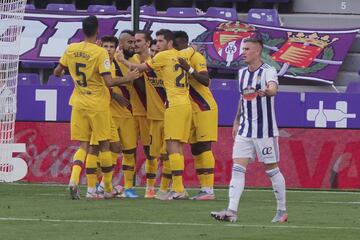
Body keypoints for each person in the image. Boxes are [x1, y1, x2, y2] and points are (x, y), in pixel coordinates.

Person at [53, 16, 139, 199]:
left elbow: (57, 72)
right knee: (104, 145)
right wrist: (128, 78)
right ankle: (106, 188)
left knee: (83, 145)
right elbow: (108, 81)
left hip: (78, 103)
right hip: (98, 105)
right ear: (97, 30)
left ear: (83, 30)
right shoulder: (100, 53)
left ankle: (74, 180)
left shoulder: (71, 48)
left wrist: (75, 72)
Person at [210, 37, 288, 223]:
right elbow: (242, 98)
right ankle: (231, 211)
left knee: (272, 170)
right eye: (243, 48)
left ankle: (282, 210)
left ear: (257, 51)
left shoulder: (268, 71)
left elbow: (273, 89)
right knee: (237, 169)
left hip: (265, 130)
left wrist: (267, 91)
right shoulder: (242, 73)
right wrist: (236, 121)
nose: (243, 52)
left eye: (247, 48)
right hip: (245, 129)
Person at [118, 29, 195, 200]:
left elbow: (139, 67)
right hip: (185, 104)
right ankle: (177, 188)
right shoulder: (184, 53)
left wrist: (122, 60)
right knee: (178, 147)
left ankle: (178, 189)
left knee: (171, 146)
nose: (157, 44)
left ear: (169, 43)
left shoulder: (162, 56)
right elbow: (193, 48)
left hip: (174, 105)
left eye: (160, 41)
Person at [173, 31, 218, 200]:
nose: (176, 49)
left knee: (204, 147)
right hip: (190, 109)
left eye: (177, 45)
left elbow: (206, 80)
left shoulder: (196, 58)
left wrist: (189, 69)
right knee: (196, 148)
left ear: (185, 43)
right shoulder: (173, 59)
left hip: (204, 107)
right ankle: (204, 189)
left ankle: (208, 190)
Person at [134, 30, 172, 199]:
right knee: (152, 154)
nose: (155, 55)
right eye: (154, 52)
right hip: (154, 117)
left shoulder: (169, 68)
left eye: (157, 52)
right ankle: (150, 189)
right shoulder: (150, 67)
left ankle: (165, 188)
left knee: (168, 154)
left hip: (170, 116)